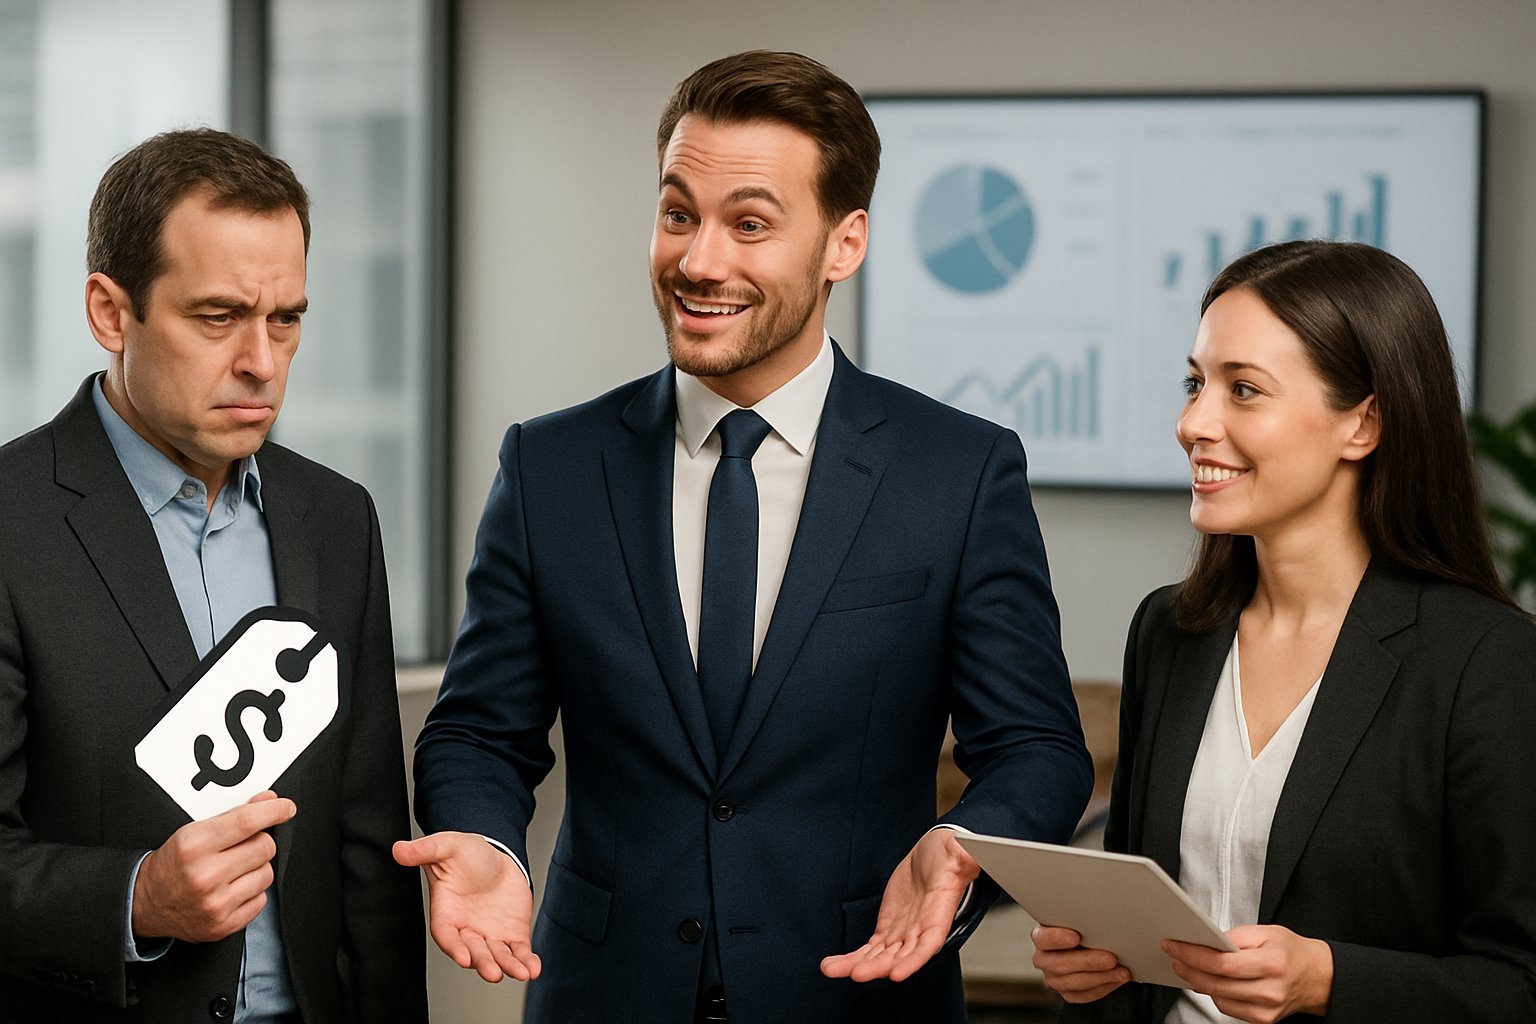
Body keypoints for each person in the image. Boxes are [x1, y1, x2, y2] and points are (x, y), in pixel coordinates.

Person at [399, 50, 1092, 1023]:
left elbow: (1036, 746)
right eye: (678, 213)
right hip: (605, 999)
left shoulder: (958, 472)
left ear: (844, 243)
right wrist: (484, 837)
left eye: (750, 224)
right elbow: (479, 729)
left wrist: (964, 844)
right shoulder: (551, 466)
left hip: (859, 995)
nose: (698, 261)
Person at [1033, 240, 1536, 1023]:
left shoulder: (1486, 662)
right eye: (1195, 383)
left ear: (1363, 423)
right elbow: (1139, 922)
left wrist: (1327, 979)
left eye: (1244, 390)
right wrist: (1094, 963)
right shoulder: (1170, 630)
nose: (1192, 423)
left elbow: (1519, 984)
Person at [0, 129, 428, 1022]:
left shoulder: (338, 519)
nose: (261, 363)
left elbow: (369, 855)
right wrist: (136, 898)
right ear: (111, 313)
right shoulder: (12, 522)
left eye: (286, 320)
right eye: (218, 317)